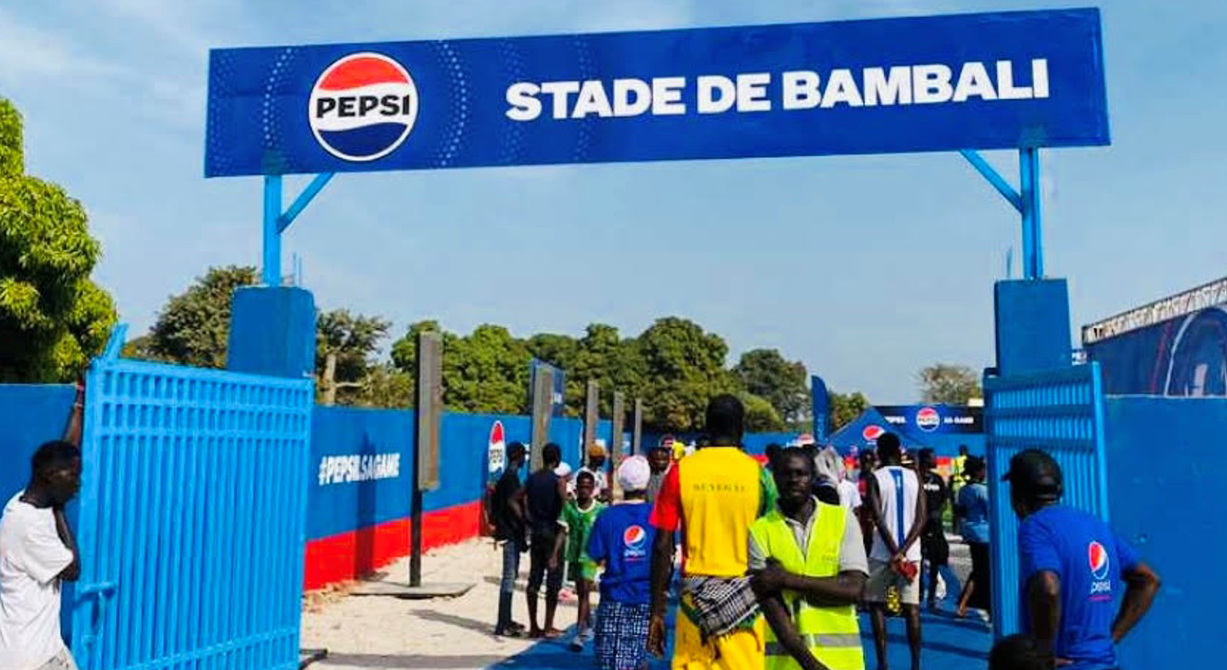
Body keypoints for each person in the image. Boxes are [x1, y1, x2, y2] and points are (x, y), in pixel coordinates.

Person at [648, 394, 776, 669]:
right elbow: (774, 542)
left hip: (694, 604)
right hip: (745, 603)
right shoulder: (759, 475)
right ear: (741, 427)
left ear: (706, 426)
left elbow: (661, 545)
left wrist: (656, 611)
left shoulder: (680, 472)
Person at [1004, 449, 1160, 669]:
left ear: (1016, 496)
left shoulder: (1035, 527)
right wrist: (1112, 638)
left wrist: (1044, 656)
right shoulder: (1094, 525)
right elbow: (1148, 580)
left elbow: (1048, 588)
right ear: (1060, 489)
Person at [749, 447, 869, 670]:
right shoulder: (760, 530)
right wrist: (811, 664)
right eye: (786, 474)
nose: (793, 480)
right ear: (775, 477)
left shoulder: (842, 520)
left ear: (813, 477)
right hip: (788, 664)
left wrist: (786, 580)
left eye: (800, 473)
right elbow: (773, 607)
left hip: (843, 662)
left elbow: (854, 590)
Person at [0, 441, 83, 670]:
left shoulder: (22, 502)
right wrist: (60, 508)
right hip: (33, 659)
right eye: (74, 476)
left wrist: (79, 406)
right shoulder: (28, 528)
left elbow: (64, 448)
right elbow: (73, 569)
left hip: (43, 649)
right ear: (51, 477)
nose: (78, 484)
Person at [863, 432, 926, 670]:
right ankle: (916, 664)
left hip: (882, 554)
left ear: (880, 451)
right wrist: (904, 550)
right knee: (912, 610)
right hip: (912, 555)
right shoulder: (914, 476)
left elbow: (877, 517)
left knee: (877, 605)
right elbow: (921, 518)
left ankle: (883, 663)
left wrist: (893, 551)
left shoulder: (874, 477)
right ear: (898, 451)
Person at [588, 456, 657, 670]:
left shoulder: (606, 516)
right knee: (637, 660)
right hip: (645, 598)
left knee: (609, 661)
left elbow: (596, 555)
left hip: (613, 597)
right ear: (646, 483)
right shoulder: (657, 515)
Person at [554, 470, 605, 652]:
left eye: (587, 487)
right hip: (574, 555)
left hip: (590, 558)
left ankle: (579, 634)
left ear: (592, 489)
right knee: (582, 594)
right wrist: (554, 555)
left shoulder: (600, 510)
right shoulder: (569, 508)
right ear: (576, 488)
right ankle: (590, 624)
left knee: (584, 590)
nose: (584, 490)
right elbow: (562, 531)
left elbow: (606, 534)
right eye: (581, 487)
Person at [523, 442, 568, 639]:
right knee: (553, 581)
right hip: (553, 533)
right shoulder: (558, 481)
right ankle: (548, 625)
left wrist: (527, 518)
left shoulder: (532, 479)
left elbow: (517, 499)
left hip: (537, 532)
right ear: (557, 459)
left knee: (534, 579)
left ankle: (533, 625)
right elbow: (565, 509)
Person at [491, 442, 529, 637]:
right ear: (517, 456)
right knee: (508, 577)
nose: (525, 459)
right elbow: (512, 505)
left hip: (508, 532)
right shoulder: (511, 478)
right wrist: (523, 523)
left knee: (511, 577)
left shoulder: (508, 477)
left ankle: (506, 619)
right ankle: (502, 623)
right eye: (523, 455)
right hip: (509, 533)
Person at [917, 448, 959, 611]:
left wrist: (938, 513)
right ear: (925, 459)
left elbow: (943, 500)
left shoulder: (938, 479)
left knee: (935, 564)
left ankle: (932, 599)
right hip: (918, 529)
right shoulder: (916, 478)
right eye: (933, 457)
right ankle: (918, 595)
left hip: (935, 528)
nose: (936, 459)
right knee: (918, 563)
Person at [954, 456, 991, 620]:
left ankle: (967, 603)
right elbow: (991, 511)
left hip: (971, 532)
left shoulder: (963, 490)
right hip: (984, 534)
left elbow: (960, 511)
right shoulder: (981, 490)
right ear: (979, 471)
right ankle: (964, 603)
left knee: (979, 569)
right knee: (982, 571)